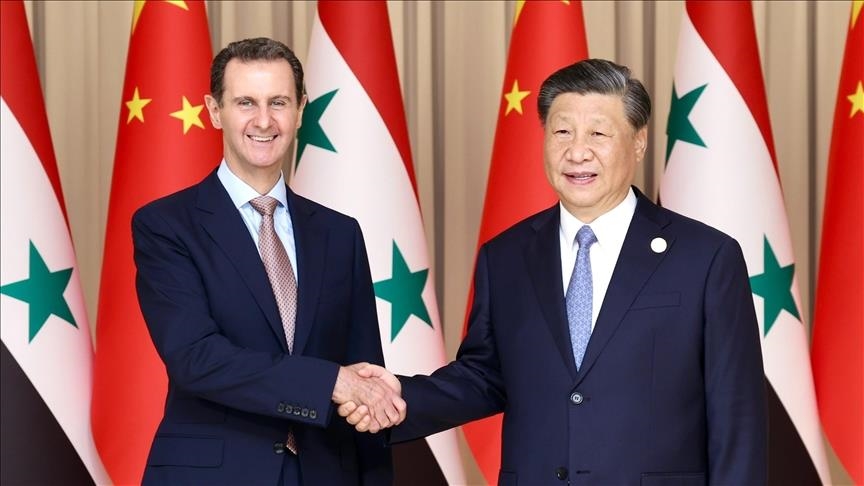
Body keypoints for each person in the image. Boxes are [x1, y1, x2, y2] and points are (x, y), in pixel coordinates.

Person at [342, 59, 767, 484]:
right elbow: (485, 376)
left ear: (638, 142)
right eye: (562, 132)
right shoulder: (506, 256)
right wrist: (399, 396)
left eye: (598, 134)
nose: (577, 152)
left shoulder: (705, 258)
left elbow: (737, 417)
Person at [132, 37, 404, 486]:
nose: (263, 121)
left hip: (325, 473)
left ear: (300, 110)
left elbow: (364, 376)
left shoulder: (340, 234)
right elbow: (196, 358)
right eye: (246, 103)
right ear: (214, 110)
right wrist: (329, 383)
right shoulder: (166, 225)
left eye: (278, 102)